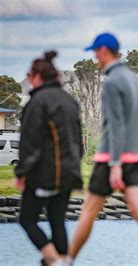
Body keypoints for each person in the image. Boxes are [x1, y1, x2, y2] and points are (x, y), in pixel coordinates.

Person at [68, 33, 138, 265]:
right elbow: (137, 121)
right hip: (134, 156)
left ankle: (66, 260)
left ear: (103, 50)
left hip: (111, 158)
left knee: (88, 211)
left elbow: (116, 125)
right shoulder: (133, 78)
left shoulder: (111, 82)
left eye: (95, 52)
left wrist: (114, 166)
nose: (95, 57)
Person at [15, 51, 83, 266]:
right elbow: (78, 143)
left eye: (29, 74)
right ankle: (60, 261)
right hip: (69, 174)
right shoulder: (69, 101)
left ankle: (55, 261)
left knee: (27, 220)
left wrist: (22, 172)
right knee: (57, 221)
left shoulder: (37, 102)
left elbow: (30, 143)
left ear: (37, 76)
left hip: (43, 174)